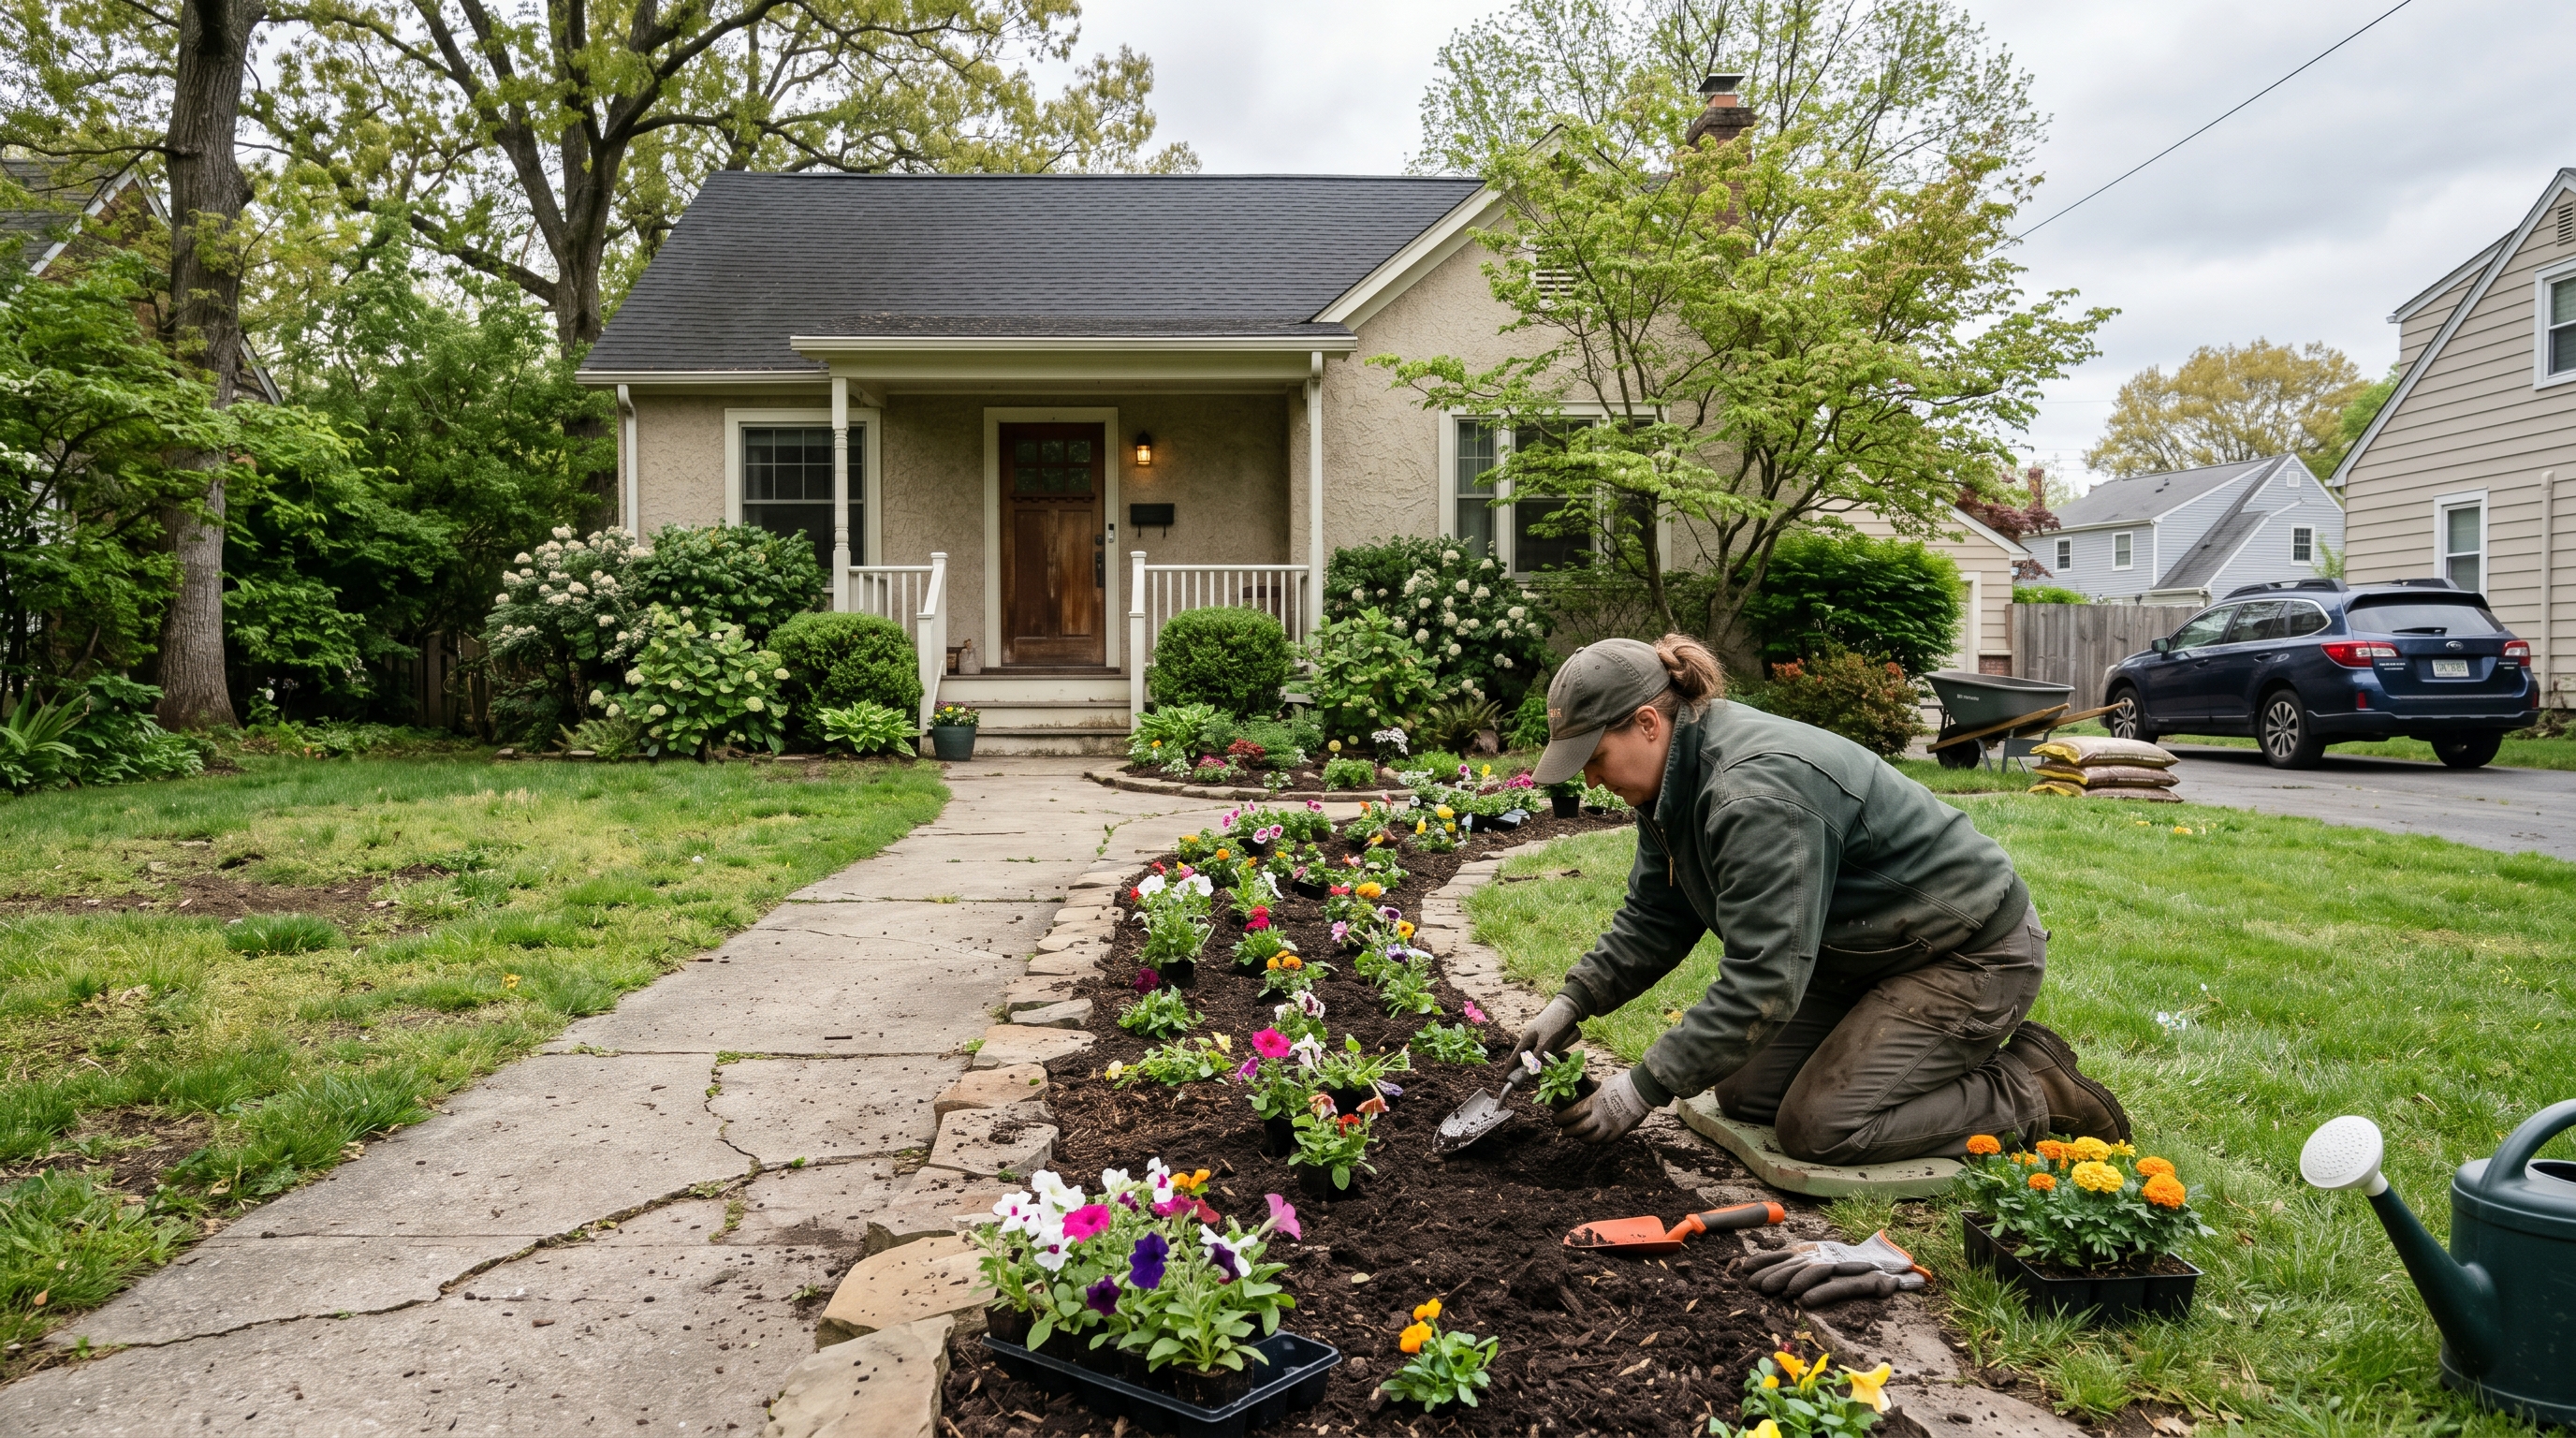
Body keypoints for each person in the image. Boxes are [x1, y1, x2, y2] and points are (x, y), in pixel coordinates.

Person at [1514, 634, 2130, 1164]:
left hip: (1968, 954)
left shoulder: (1752, 796)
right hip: (1871, 952)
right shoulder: (1669, 783)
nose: (1590, 780)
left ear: (1648, 723)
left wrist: (1640, 1089)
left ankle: (2037, 1089)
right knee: (1744, 1091)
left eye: (1595, 759)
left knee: (1821, 1128)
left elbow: (1764, 983)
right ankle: (1903, 1055)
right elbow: (1657, 913)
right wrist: (1573, 1001)